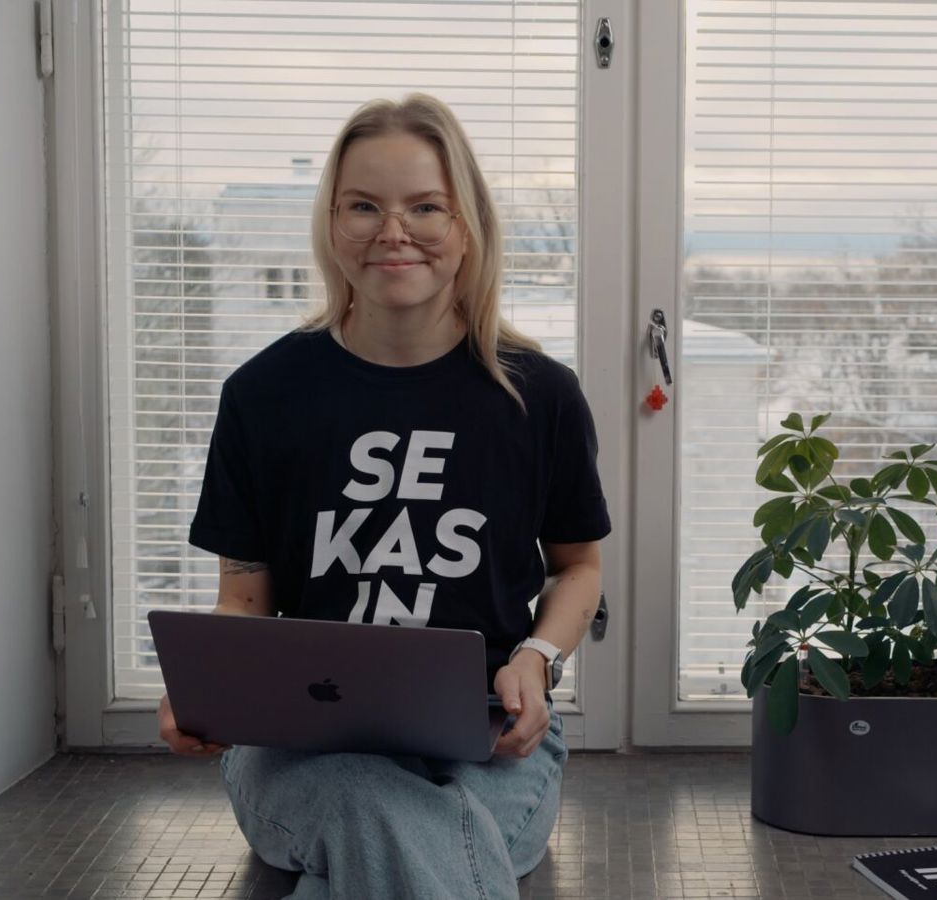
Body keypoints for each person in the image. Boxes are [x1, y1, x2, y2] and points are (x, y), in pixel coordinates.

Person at [154, 93, 611, 900]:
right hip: (302, 754)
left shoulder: (540, 395)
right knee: (372, 805)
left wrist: (536, 661)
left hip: (490, 748)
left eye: (425, 206)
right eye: (363, 205)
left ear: (467, 226)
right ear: (331, 225)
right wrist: (205, 691)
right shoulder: (263, 395)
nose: (392, 231)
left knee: (385, 837)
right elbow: (244, 599)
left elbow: (577, 567)